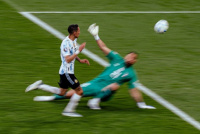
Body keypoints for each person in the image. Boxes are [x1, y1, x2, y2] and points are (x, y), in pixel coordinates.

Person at [26, 23, 155, 117]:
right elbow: (103, 48)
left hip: (106, 92)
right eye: (129, 55)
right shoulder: (116, 58)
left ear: (134, 61)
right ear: (126, 55)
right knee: (70, 93)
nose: (130, 58)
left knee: (114, 86)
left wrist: (141, 104)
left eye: (133, 58)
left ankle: (93, 101)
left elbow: (134, 90)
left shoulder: (131, 74)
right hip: (95, 83)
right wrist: (96, 36)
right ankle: (51, 98)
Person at [25, 24, 90, 117]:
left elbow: (72, 53)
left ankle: (40, 86)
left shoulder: (74, 40)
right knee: (79, 91)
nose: (80, 32)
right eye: (78, 31)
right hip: (67, 72)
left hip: (66, 72)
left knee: (62, 92)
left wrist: (80, 60)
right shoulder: (65, 43)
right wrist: (79, 51)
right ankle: (68, 111)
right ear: (74, 32)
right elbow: (67, 59)